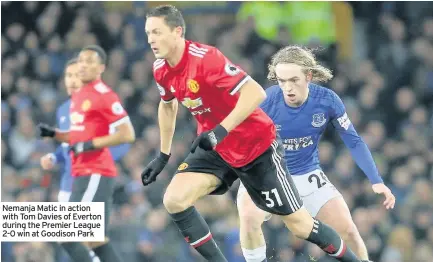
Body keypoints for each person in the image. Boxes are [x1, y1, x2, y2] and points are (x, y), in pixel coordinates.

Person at [141, 5, 362, 262]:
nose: (150, 40)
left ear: (177, 31)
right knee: (174, 200)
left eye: (157, 32)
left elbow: (255, 92)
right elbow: (168, 104)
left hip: (256, 147)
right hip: (218, 147)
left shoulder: (205, 59)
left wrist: (221, 130)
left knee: (300, 226)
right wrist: (163, 155)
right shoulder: (161, 69)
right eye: (148, 33)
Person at [236, 46, 396, 262]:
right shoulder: (267, 100)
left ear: (309, 76)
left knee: (348, 231)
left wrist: (376, 180)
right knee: (248, 218)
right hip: (267, 173)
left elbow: (354, 140)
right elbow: (238, 136)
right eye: (282, 81)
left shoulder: (328, 101)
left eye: (294, 80)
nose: (288, 88)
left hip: (307, 173)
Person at [37, 45, 135, 262]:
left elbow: (126, 136)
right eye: (70, 72)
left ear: (101, 68)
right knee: (94, 240)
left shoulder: (103, 96)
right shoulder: (73, 104)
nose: (80, 69)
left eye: (88, 62)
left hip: (94, 172)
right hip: (77, 178)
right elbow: (76, 138)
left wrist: (90, 145)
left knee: (67, 233)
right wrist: (55, 139)